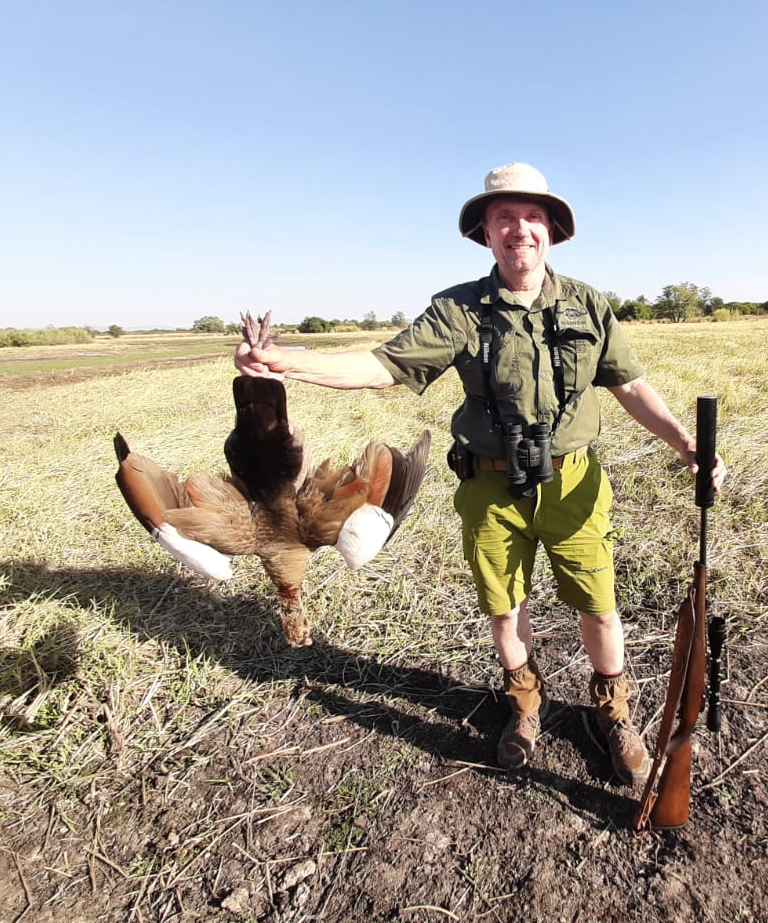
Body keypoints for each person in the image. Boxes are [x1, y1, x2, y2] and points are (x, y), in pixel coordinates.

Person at [235, 162, 726, 784]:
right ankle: (524, 708)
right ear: (486, 233)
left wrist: (685, 443)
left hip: (573, 481)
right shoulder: (459, 310)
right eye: (504, 218)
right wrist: (284, 364)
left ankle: (613, 713)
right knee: (505, 606)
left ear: (551, 229)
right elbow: (385, 366)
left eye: (531, 217)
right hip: (488, 484)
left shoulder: (588, 304)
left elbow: (628, 384)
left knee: (599, 606)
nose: (519, 229)